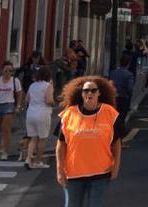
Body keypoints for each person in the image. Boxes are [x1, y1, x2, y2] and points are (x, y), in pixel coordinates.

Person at [56, 77, 123, 207]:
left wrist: (116, 165)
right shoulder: (68, 114)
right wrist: (59, 169)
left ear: (99, 93)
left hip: (101, 174)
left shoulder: (110, 113)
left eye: (93, 90)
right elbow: (61, 145)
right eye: (86, 91)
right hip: (73, 174)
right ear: (81, 93)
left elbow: (116, 143)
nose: (90, 93)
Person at [0, 61, 23, 160]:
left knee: (6, 129)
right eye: (6, 71)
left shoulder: (15, 81)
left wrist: (18, 106)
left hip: (9, 105)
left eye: (10, 71)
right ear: (2, 71)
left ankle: (5, 151)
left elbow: (19, 93)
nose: (8, 73)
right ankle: (0, 143)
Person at [25, 66, 54, 169]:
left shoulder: (32, 85)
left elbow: (27, 99)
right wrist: (53, 103)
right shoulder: (48, 86)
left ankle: (28, 159)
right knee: (43, 139)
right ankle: (37, 161)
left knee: (33, 138)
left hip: (30, 113)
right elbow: (49, 101)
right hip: (43, 113)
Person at [109, 55, 135, 133]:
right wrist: (130, 95)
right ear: (128, 64)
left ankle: (113, 130)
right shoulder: (129, 74)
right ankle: (120, 132)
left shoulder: (113, 72)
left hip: (114, 96)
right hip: (123, 97)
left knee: (114, 115)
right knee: (122, 115)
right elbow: (130, 88)